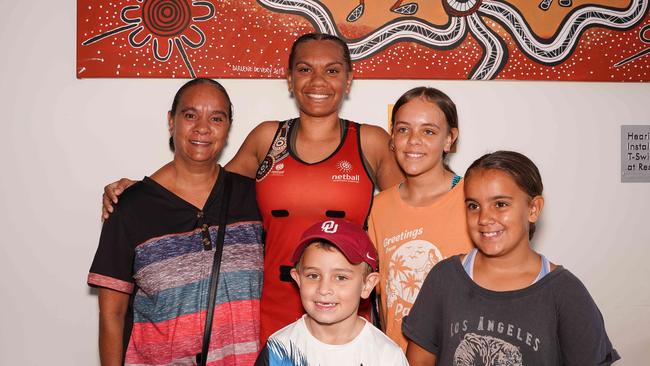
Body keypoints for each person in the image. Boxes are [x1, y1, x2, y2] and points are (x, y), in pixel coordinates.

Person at [101, 33, 403, 343]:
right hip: (272, 310)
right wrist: (145, 191)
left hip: (346, 313)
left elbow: (410, 215)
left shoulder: (370, 142)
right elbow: (204, 188)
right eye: (304, 69)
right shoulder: (267, 139)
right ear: (289, 79)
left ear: (349, 80)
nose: (317, 81)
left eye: (332, 70)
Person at [87, 78, 264, 366]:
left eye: (216, 118)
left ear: (228, 126)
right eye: (190, 115)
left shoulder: (252, 198)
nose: (202, 128)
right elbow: (111, 314)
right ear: (171, 121)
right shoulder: (131, 206)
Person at [403, 151, 620, 365]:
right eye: (473, 206)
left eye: (500, 204)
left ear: (533, 209)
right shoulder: (444, 278)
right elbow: (418, 361)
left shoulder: (566, 293)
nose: (484, 218)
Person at [367, 87, 473, 350]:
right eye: (403, 129)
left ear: (449, 139)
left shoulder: (473, 198)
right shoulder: (378, 208)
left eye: (428, 131)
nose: (414, 140)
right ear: (392, 136)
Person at [254, 219, 409, 366]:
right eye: (313, 276)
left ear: (367, 285)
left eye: (340, 277)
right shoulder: (278, 350)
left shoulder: (387, 356)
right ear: (298, 279)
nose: (323, 289)